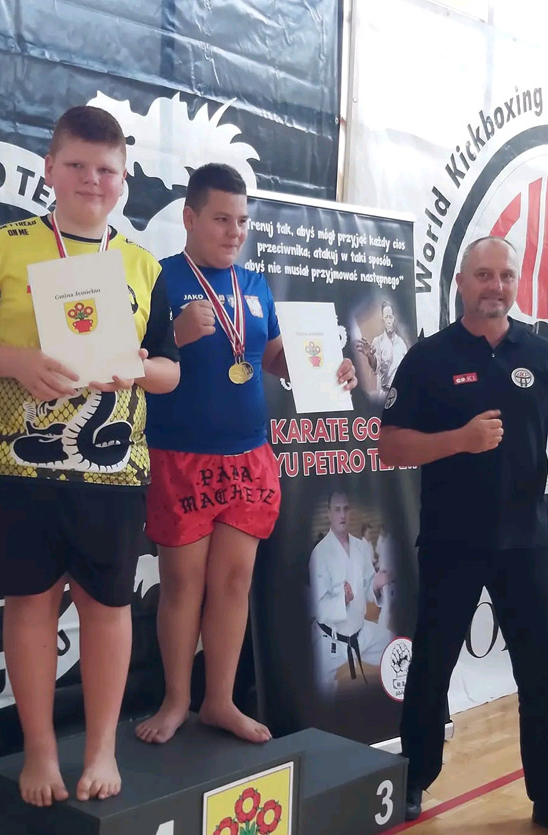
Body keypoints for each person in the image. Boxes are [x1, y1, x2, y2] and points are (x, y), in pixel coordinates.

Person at [0, 105, 179, 806]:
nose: (91, 181)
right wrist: (17, 361)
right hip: (21, 467)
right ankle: (39, 752)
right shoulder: (6, 246)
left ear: (124, 178)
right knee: (30, 606)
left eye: (106, 170)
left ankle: (102, 748)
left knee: (108, 607)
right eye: (77, 165)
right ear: (49, 168)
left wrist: (137, 368)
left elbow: (170, 370)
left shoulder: (142, 264)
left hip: (112, 471)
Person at [379, 235, 548, 835]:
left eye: (505, 276)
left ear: (515, 283)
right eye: (483, 275)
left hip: (524, 541)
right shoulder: (428, 357)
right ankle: (413, 779)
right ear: (461, 282)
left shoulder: (545, 356)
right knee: (431, 668)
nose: (495, 286)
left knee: (541, 675)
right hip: (451, 538)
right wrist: (459, 440)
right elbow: (389, 446)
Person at [136, 163, 357, 744]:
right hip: (180, 456)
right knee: (183, 586)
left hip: (249, 456)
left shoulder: (253, 285)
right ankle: (175, 701)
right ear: (190, 218)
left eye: (241, 221)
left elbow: (275, 358)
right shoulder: (158, 279)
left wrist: (328, 369)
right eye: (221, 219)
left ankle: (219, 701)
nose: (234, 231)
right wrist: (175, 334)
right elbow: (129, 359)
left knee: (234, 584)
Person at [309, 490, 393, 696]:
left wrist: (376, 584)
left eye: (346, 509)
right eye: (337, 509)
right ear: (329, 513)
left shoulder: (360, 547)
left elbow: (367, 584)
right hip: (330, 641)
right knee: (321, 694)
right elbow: (318, 608)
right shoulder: (320, 553)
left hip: (361, 632)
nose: (342, 515)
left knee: (395, 646)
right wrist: (342, 599)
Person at [356, 300, 407, 398]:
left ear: (394, 318)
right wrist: (370, 356)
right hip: (385, 394)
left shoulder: (401, 343)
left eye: (390, 317)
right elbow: (376, 366)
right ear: (383, 319)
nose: (388, 320)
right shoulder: (378, 341)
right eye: (386, 317)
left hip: (402, 393)